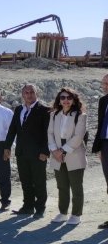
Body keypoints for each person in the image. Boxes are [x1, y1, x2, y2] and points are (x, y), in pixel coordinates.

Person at [5, 84, 50, 219]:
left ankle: (40, 208)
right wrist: (7, 147)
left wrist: (45, 151)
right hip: (22, 153)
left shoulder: (44, 110)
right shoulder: (19, 109)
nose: (29, 95)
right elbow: (13, 130)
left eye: (31, 92)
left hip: (38, 154)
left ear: (37, 94)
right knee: (25, 181)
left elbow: (48, 133)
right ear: (22, 95)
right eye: (26, 92)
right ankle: (28, 206)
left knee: (39, 181)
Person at [48, 88, 87, 225]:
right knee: (62, 186)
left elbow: (78, 136)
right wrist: (54, 150)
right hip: (57, 154)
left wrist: (62, 151)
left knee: (76, 186)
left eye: (69, 97)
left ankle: (76, 215)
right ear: (59, 99)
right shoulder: (54, 115)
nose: (66, 100)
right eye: (63, 97)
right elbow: (50, 133)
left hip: (73, 154)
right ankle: (62, 213)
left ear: (74, 100)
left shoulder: (80, 115)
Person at [92, 74, 108, 229]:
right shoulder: (103, 101)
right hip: (106, 145)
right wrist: (99, 147)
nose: (107, 85)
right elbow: (100, 124)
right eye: (105, 83)